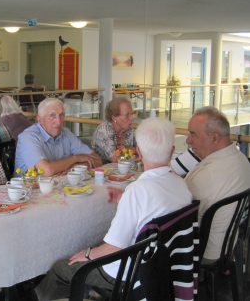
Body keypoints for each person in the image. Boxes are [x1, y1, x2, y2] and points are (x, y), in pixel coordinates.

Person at [35, 118, 193, 300]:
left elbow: (114, 247)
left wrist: (87, 254)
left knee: (60, 268)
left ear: (139, 153)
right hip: (163, 264)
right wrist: (125, 199)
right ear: (172, 151)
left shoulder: (138, 191)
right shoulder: (181, 185)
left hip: (130, 272)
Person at [184, 106, 250, 261]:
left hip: (207, 251)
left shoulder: (206, 176)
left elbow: (176, 211)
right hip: (231, 241)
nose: (187, 140)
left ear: (214, 137)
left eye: (193, 134)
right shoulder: (242, 160)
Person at [15, 98, 101, 175]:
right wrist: (75, 158)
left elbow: (97, 160)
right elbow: (46, 170)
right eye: (52, 116)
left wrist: (75, 167)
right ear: (39, 119)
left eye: (61, 115)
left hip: (59, 186)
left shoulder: (66, 133)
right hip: (27, 189)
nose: (59, 121)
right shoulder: (28, 137)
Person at [91, 97, 136, 163]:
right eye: (127, 115)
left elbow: (142, 151)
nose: (132, 118)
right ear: (114, 117)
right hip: (103, 170)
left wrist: (128, 151)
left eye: (132, 114)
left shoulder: (128, 129)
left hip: (123, 169)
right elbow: (116, 159)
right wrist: (133, 152)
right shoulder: (104, 131)